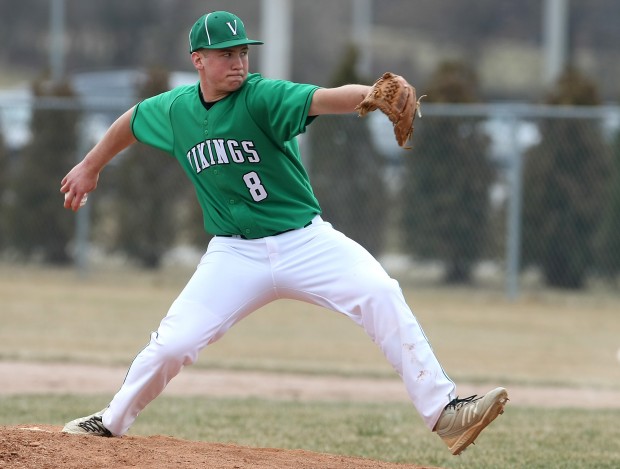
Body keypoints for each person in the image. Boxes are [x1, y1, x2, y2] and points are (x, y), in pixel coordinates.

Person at [60, 10, 508, 456]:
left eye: (242, 52)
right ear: (198, 59)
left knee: (380, 292)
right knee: (172, 345)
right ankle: (111, 422)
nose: (238, 61)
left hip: (305, 242)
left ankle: (445, 412)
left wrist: (373, 95)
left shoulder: (261, 97)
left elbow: (326, 98)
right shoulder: (176, 110)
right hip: (233, 255)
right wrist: (90, 166)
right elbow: (133, 120)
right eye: (225, 54)